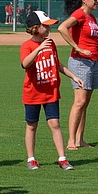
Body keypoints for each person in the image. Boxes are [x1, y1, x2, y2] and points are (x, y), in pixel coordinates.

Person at [20, 10, 81, 170]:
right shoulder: (27, 45)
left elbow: (57, 64)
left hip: (50, 91)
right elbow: (25, 64)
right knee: (32, 125)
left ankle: (62, 158)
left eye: (49, 27)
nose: (48, 30)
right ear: (35, 28)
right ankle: (31, 159)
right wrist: (38, 49)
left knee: (55, 123)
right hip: (33, 93)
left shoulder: (51, 43)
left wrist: (73, 76)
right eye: (45, 26)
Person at [57, 0, 98, 150]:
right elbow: (62, 28)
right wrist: (77, 47)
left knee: (85, 103)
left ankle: (80, 139)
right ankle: (71, 141)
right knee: (79, 102)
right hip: (80, 62)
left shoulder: (91, 17)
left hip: (93, 61)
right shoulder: (79, 14)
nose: (97, 1)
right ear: (84, 0)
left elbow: (89, 37)